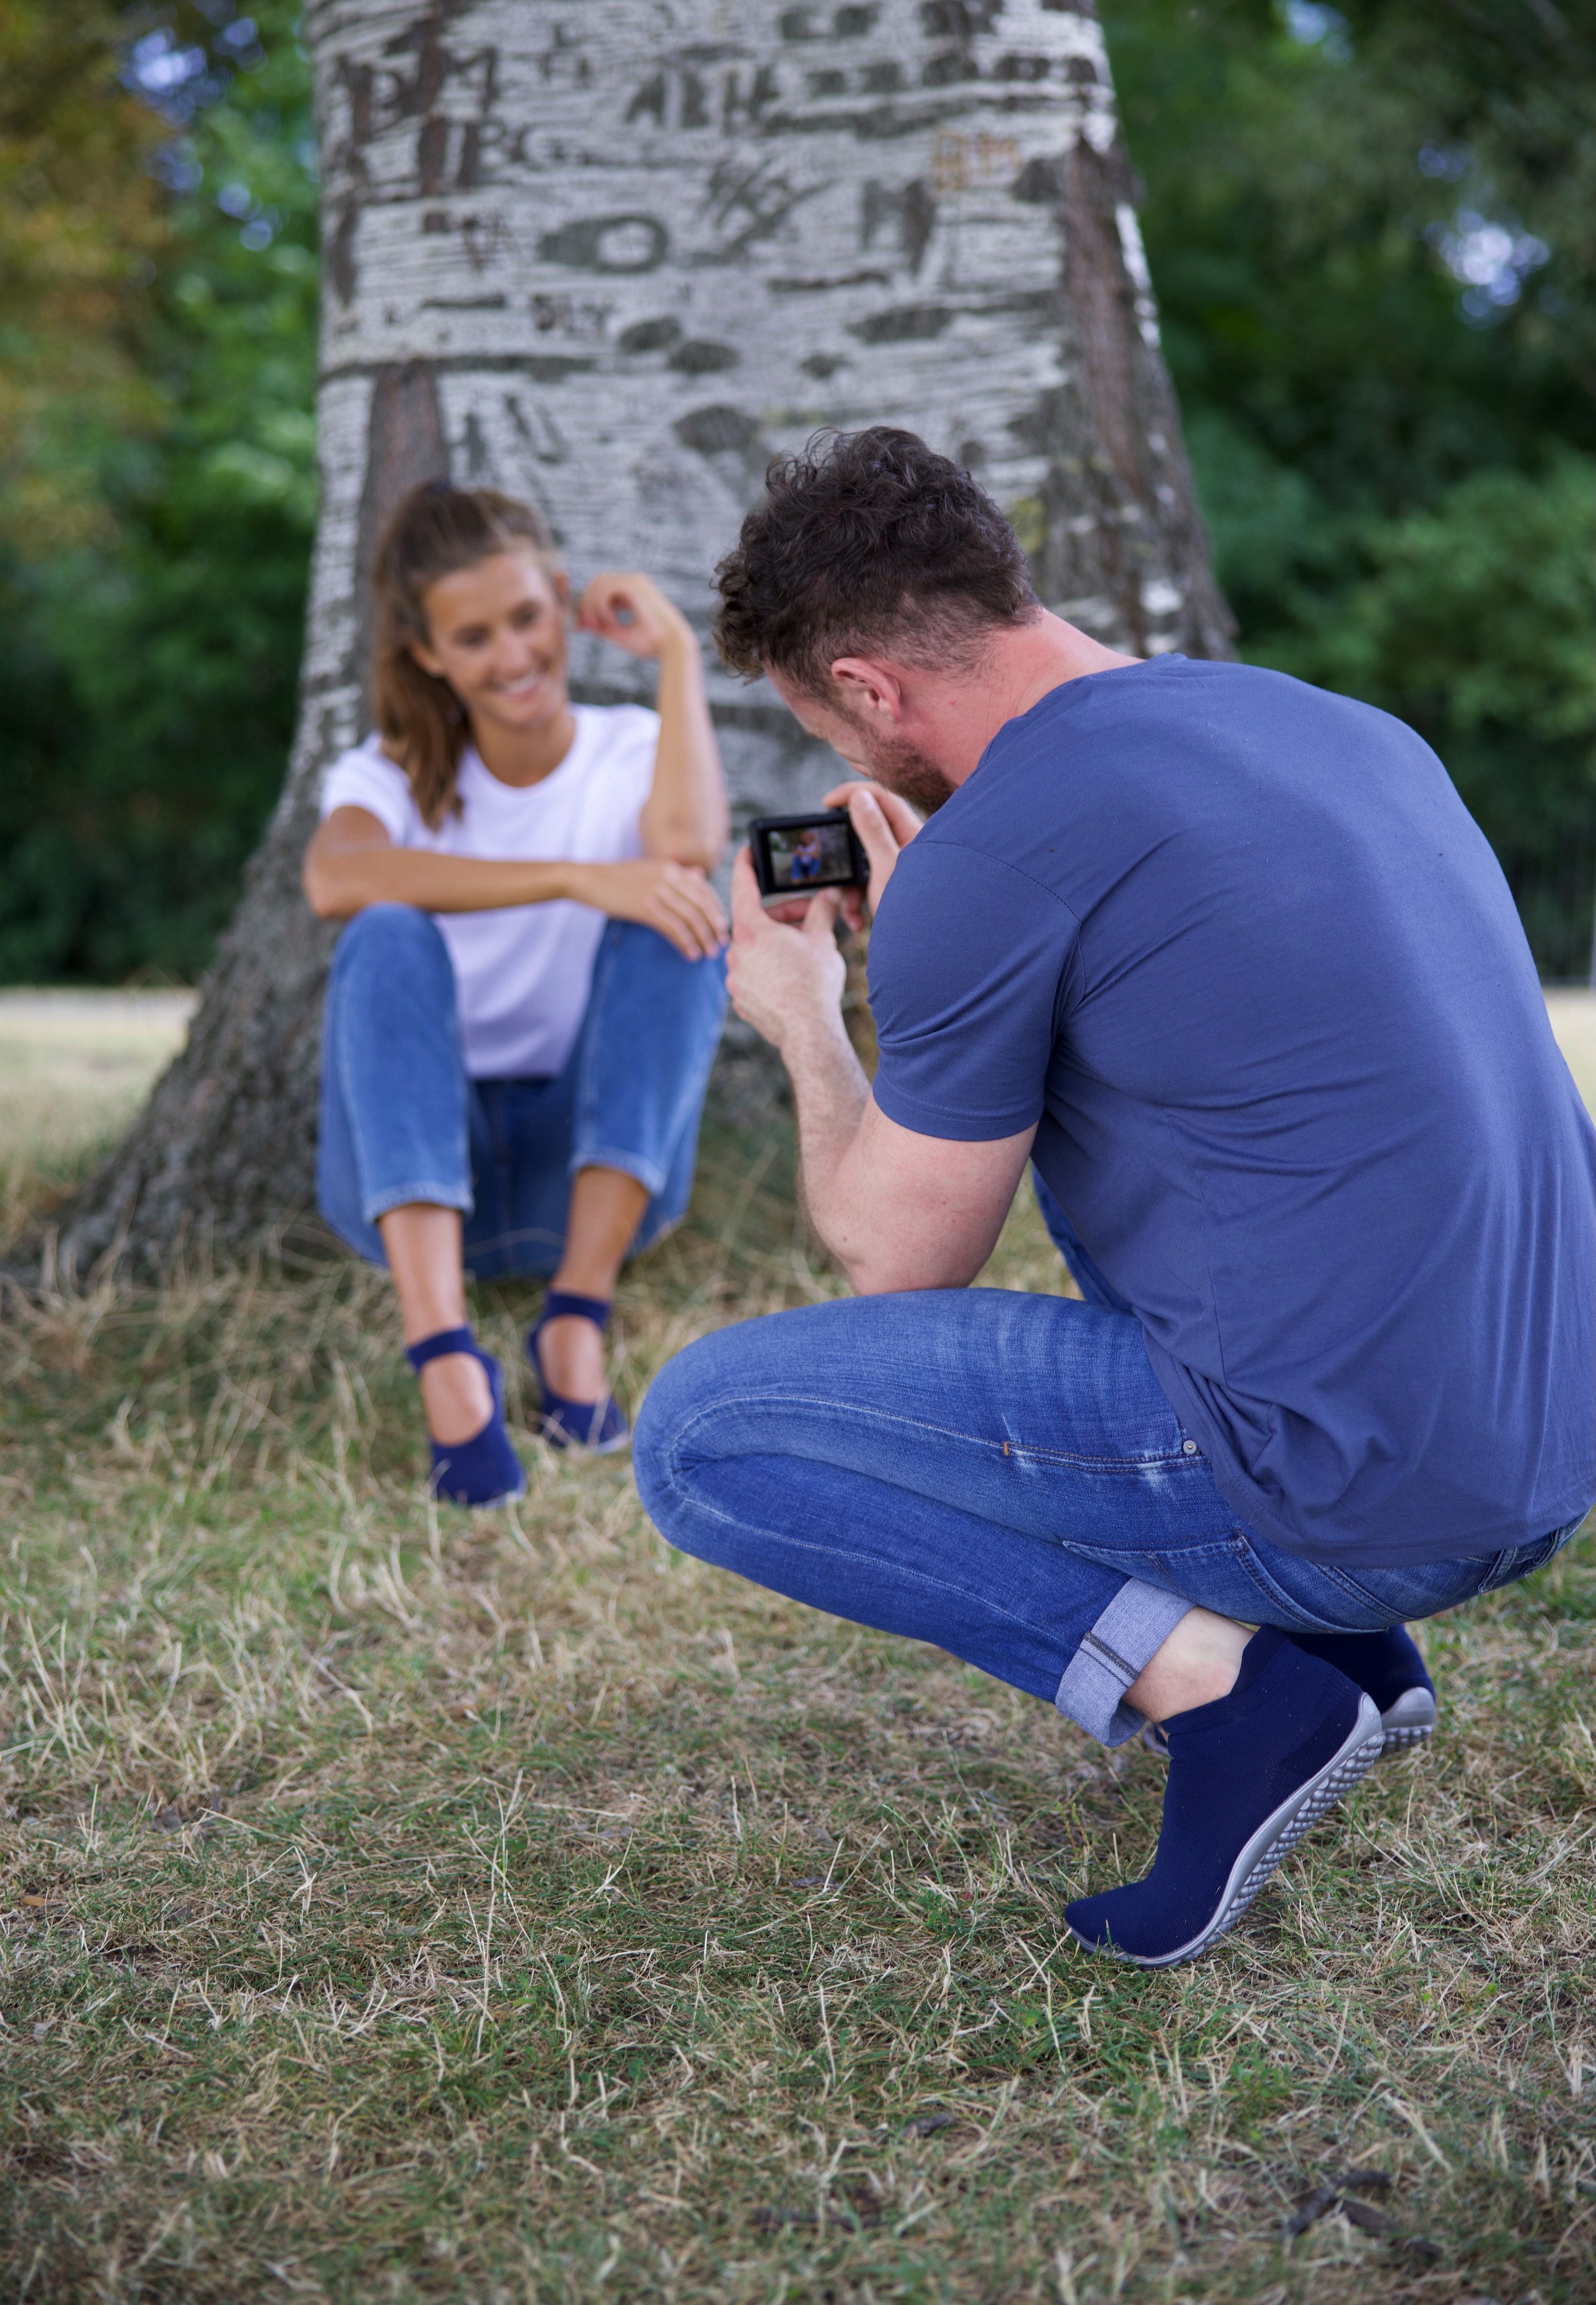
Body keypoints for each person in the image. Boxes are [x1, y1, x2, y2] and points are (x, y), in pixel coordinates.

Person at [632, 427, 1596, 1968]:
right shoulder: (1337, 729)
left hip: (1359, 1496)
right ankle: (1350, 1645)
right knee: (1155, 1131)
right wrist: (946, 921)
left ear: (870, 691)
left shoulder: (997, 858)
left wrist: (803, 1009)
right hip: (1548, 1455)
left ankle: (1233, 1693)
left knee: (698, 1437)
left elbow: (900, 1250)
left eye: (823, 713)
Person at [304, 481, 729, 1503]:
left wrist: (677, 654)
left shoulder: (628, 749)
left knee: (675, 920)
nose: (513, 658)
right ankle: (447, 1359)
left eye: (528, 618)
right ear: (429, 655)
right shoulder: (386, 773)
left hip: (583, 1178)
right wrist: (575, 876)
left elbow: (685, 852)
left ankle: (574, 1323)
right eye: (475, 636)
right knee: (388, 931)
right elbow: (336, 880)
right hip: (408, 1184)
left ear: (561, 598)